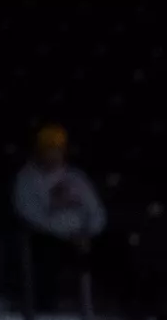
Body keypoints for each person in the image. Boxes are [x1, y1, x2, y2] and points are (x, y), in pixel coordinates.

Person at [11, 125, 106, 309]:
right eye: (49, 149)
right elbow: (29, 214)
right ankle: (45, 307)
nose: (54, 154)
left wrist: (87, 233)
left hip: (81, 237)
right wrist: (63, 231)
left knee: (112, 247)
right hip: (46, 238)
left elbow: (97, 212)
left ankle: (103, 305)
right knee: (45, 252)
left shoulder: (76, 178)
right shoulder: (26, 179)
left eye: (58, 149)